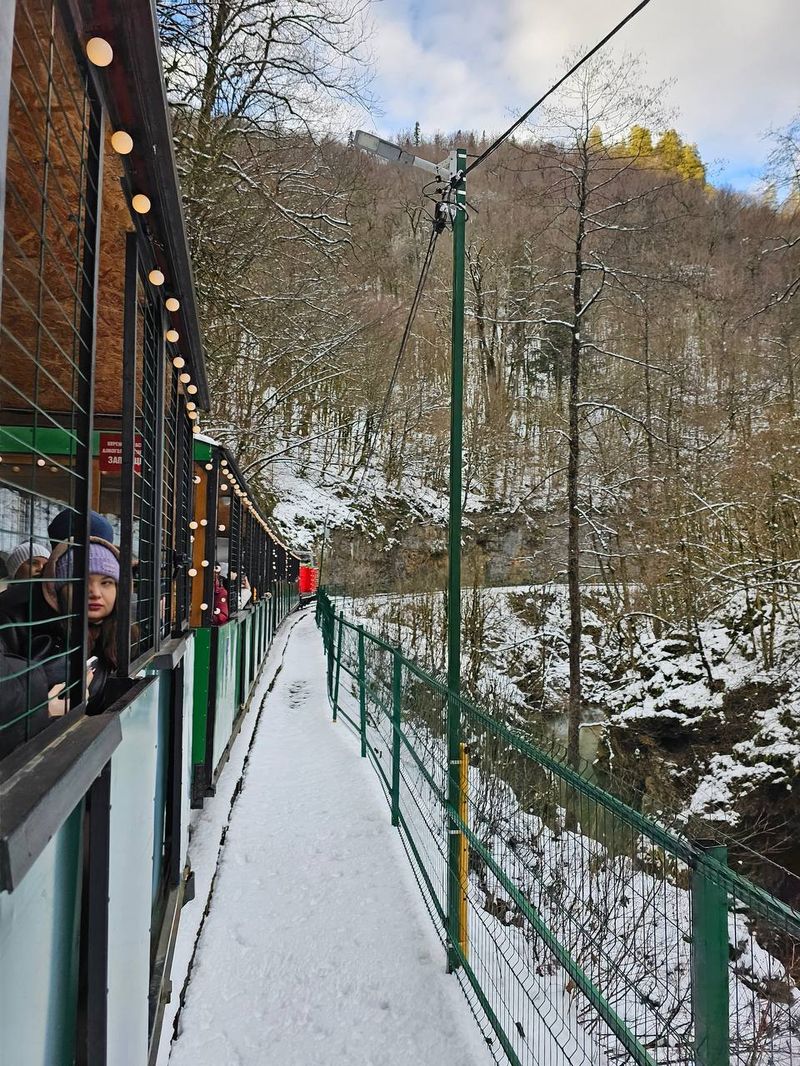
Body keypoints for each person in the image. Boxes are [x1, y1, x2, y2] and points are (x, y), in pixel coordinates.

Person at [0, 537, 122, 757]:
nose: (95, 592)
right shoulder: (15, 616)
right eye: (82, 582)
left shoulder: (115, 633)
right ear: (59, 587)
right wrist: (41, 711)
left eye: (106, 582)